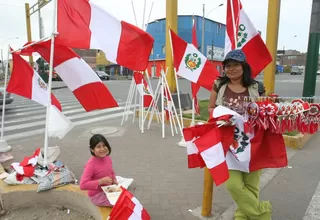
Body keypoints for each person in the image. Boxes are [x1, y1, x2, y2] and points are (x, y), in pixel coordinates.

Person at [208, 49, 271, 220]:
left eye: (236, 64)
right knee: (233, 184)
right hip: (228, 142)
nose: (231, 68)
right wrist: (221, 117)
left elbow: (265, 110)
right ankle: (262, 213)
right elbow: (211, 108)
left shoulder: (256, 87)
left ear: (243, 66)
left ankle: (242, 215)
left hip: (253, 141)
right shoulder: (219, 85)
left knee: (251, 184)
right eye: (228, 65)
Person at [80, 134, 118, 207]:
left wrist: (114, 179)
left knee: (126, 197)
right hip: (97, 195)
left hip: (108, 189)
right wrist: (100, 181)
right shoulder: (90, 165)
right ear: (92, 149)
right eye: (98, 147)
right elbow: (82, 185)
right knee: (121, 204)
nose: (102, 149)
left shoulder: (107, 157)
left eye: (104, 145)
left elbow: (111, 171)